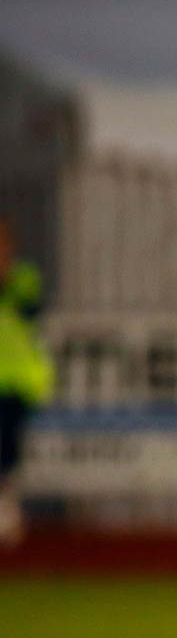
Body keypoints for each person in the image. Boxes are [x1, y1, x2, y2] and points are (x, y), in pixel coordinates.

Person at [0, 216, 53, 548]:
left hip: (17, 380)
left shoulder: (24, 278)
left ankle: (7, 512)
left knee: (6, 448)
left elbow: (28, 309)